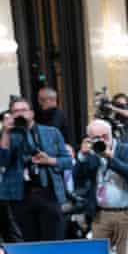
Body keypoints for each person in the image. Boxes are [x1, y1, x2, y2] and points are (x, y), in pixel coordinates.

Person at [0, 97, 74, 241]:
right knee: (30, 243)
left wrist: (49, 160)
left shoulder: (51, 132)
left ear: (32, 113)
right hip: (20, 195)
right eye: (15, 111)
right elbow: (3, 161)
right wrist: (6, 133)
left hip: (48, 192)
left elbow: (68, 162)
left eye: (23, 110)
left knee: (54, 241)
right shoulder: (7, 135)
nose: (20, 114)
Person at [76, 120, 128, 254]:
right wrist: (82, 157)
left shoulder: (126, 149)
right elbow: (78, 181)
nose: (102, 141)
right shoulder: (91, 155)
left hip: (126, 213)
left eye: (105, 136)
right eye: (96, 138)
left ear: (111, 135)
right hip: (100, 214)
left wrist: (111, 158)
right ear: (90, 139)